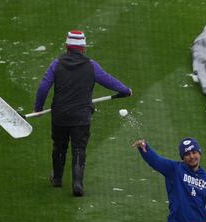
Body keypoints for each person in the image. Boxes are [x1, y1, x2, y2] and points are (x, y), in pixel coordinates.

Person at [34, 30, 132, 196]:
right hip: (81, 116)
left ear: (66, 46)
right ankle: (77, 183)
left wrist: (38, 108)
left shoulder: (56, 64)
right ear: (83, 48)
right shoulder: (91, 65)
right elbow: (108, 80)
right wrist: (125, 90)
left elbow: (44, 87)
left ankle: (57, 178)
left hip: (60, 115)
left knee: (59, 146)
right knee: (79, 148)